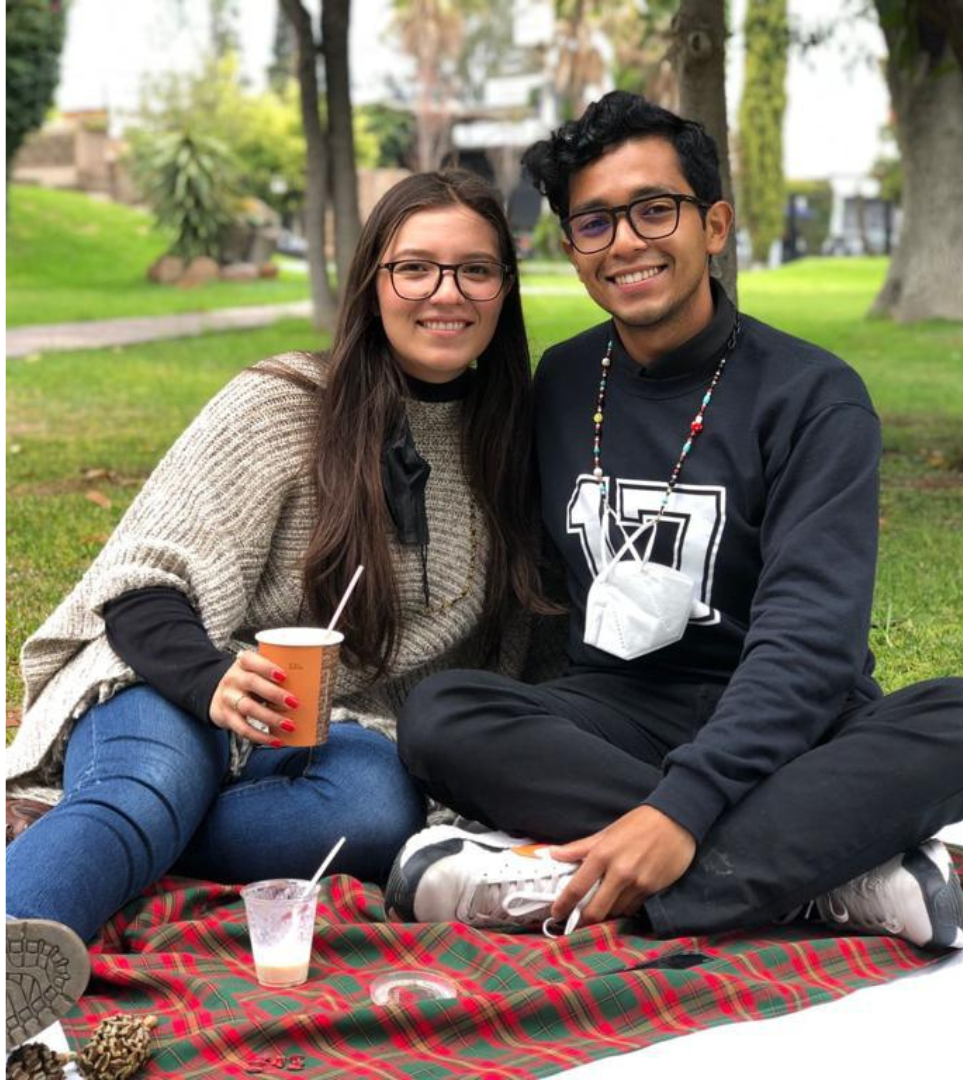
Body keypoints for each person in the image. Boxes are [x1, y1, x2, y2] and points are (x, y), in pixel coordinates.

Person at [385, 91, 963, 950]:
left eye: (655, 209)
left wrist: (685, 807)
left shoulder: (813, 396)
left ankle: (579, 876)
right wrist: (675, 802)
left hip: (794, 721)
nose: (626, 241)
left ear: (714, 225)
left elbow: (811, 647)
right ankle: (832, 873)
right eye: (595, 223)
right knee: (442, 714)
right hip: (620, 714)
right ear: (576, 252)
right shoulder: (564, 383)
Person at [2, 170, 559, 1045]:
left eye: (474, 271)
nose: (445, 294)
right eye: (415, 268)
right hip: (182, 687)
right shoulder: (284, 401)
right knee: (143, 790)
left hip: (339, 741)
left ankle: (132, 838)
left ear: (504, 290)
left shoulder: (518, 450)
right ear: (373, 284)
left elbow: (535, 644)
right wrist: (213, 680)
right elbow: (140, 581)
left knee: (375, 818)